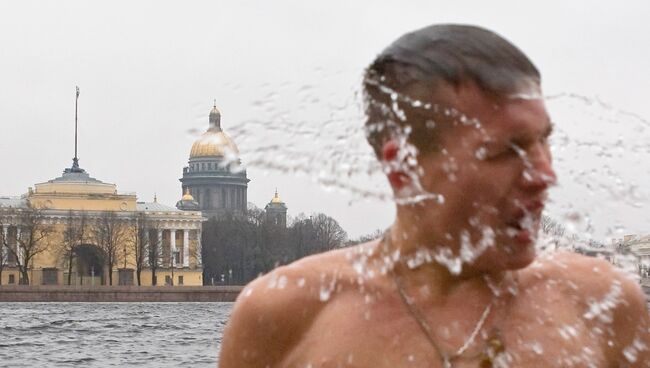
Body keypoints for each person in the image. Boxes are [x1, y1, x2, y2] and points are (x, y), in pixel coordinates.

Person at [219, 24, 650, 367]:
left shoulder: (602, 303)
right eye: (506, 151)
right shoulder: (286, 316)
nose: (545, 175)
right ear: (402, 167)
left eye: (544, 142)